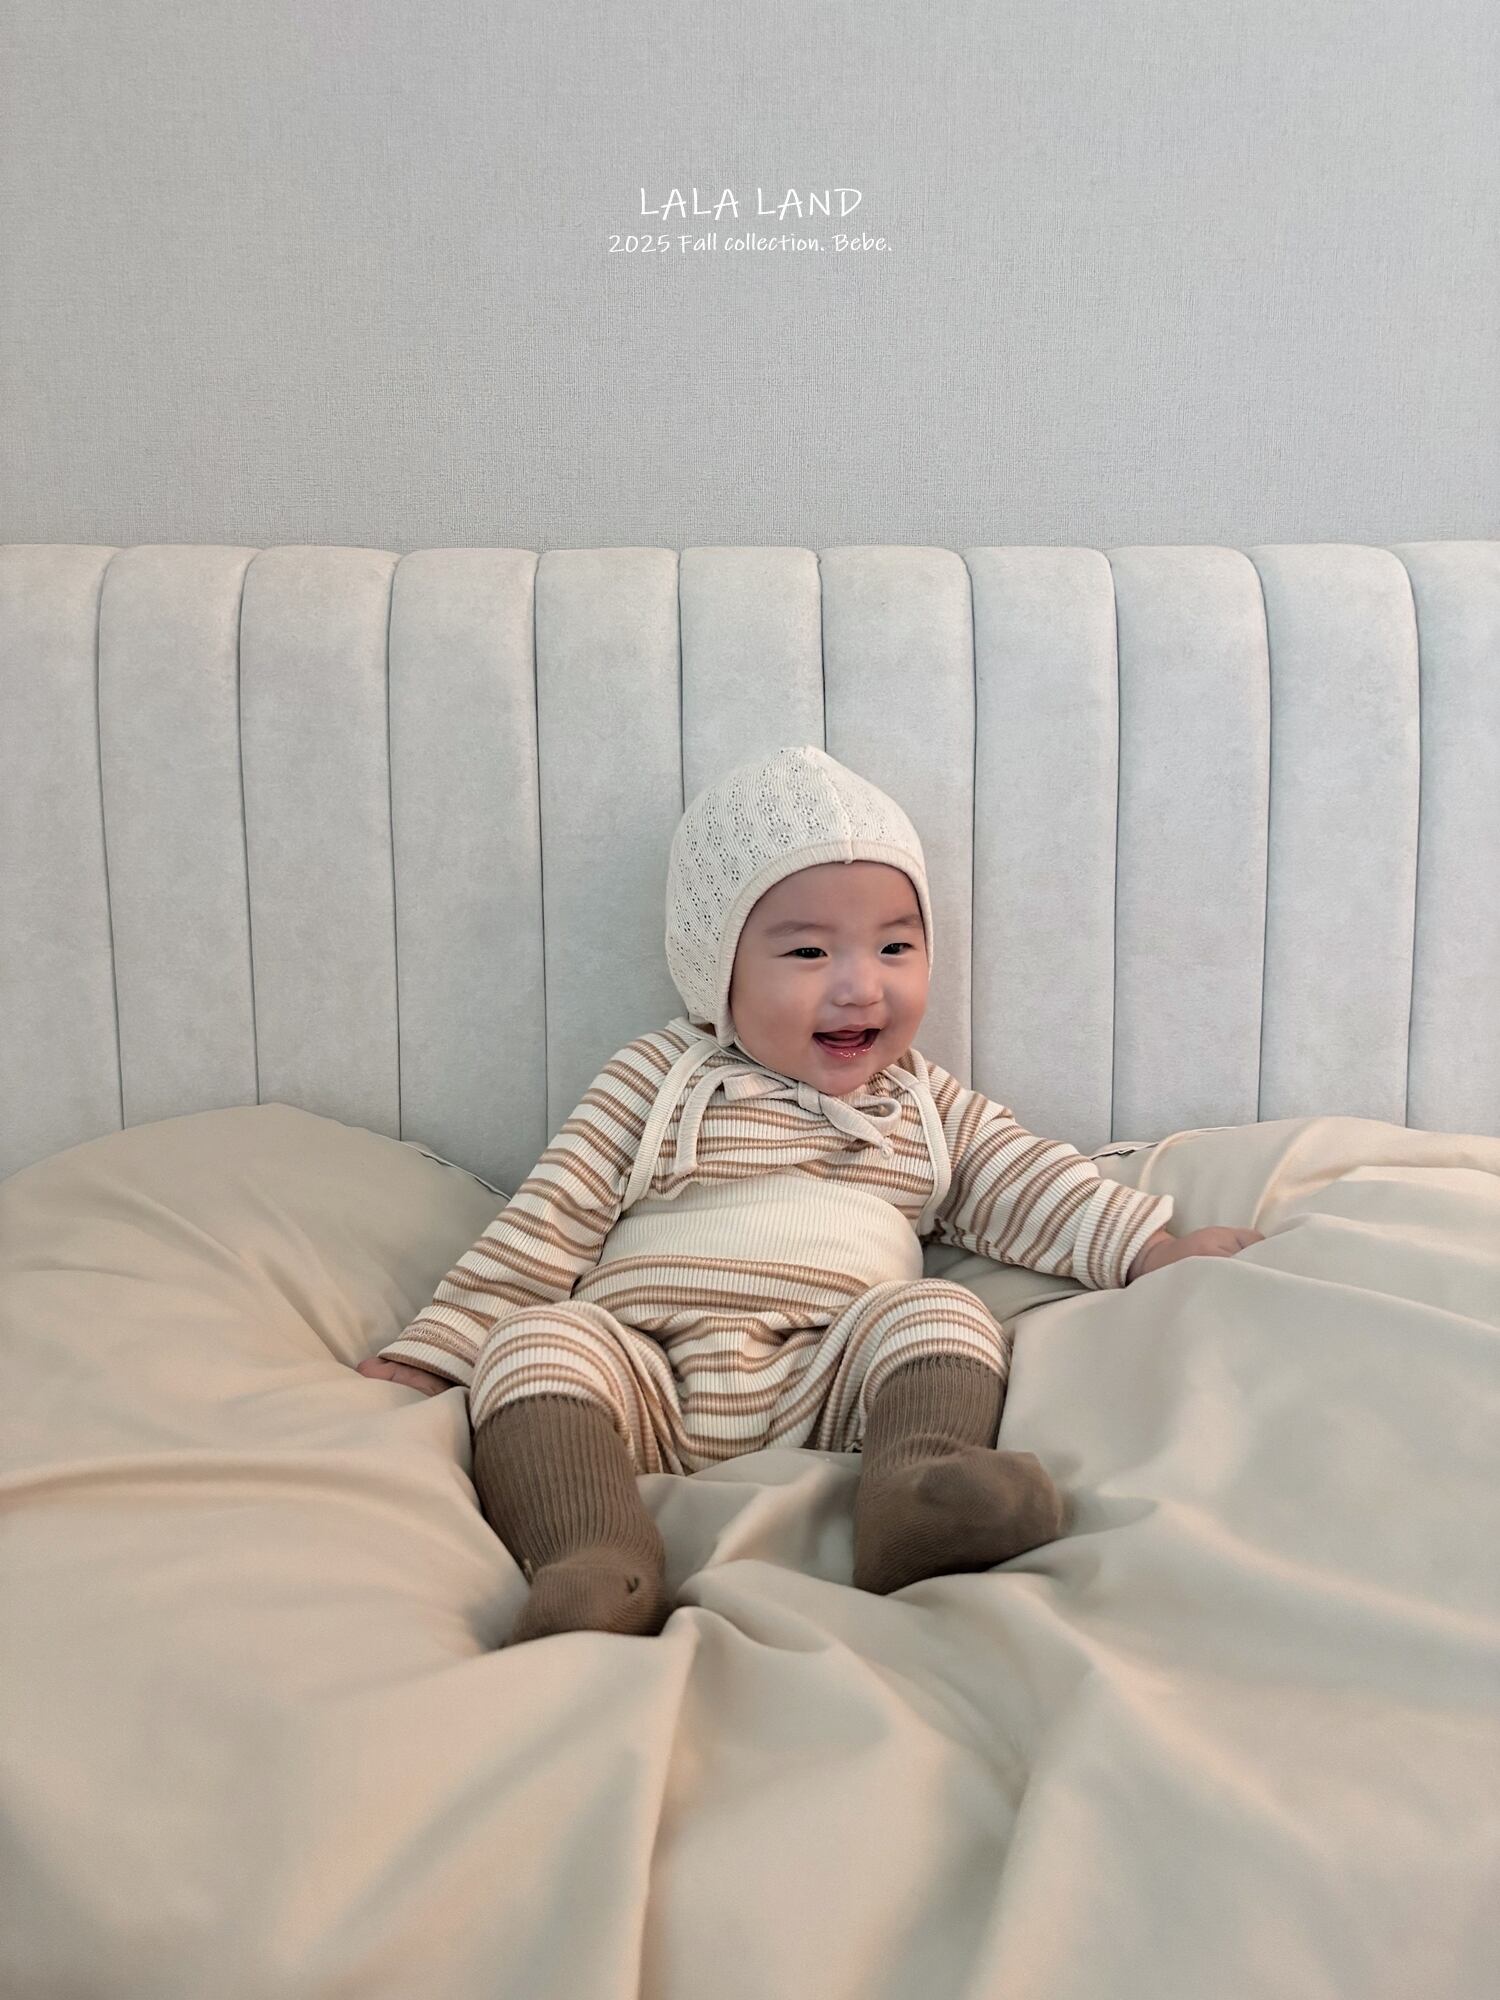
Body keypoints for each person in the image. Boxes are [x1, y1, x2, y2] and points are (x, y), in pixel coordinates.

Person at [357, 745, 1262, 1644]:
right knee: (537, 1343)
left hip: (831, 1381)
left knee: (942, 1312)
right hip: (647, 1375)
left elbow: (1028, 1179)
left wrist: (1148, 1249)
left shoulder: (921, 1104)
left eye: (896, 946)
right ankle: (591, 1555)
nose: (860, 986)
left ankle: (919, 1494)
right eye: (808, 951)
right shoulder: (656, 1080)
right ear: (717, 968)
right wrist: (445, 1347)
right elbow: (550, 1216)